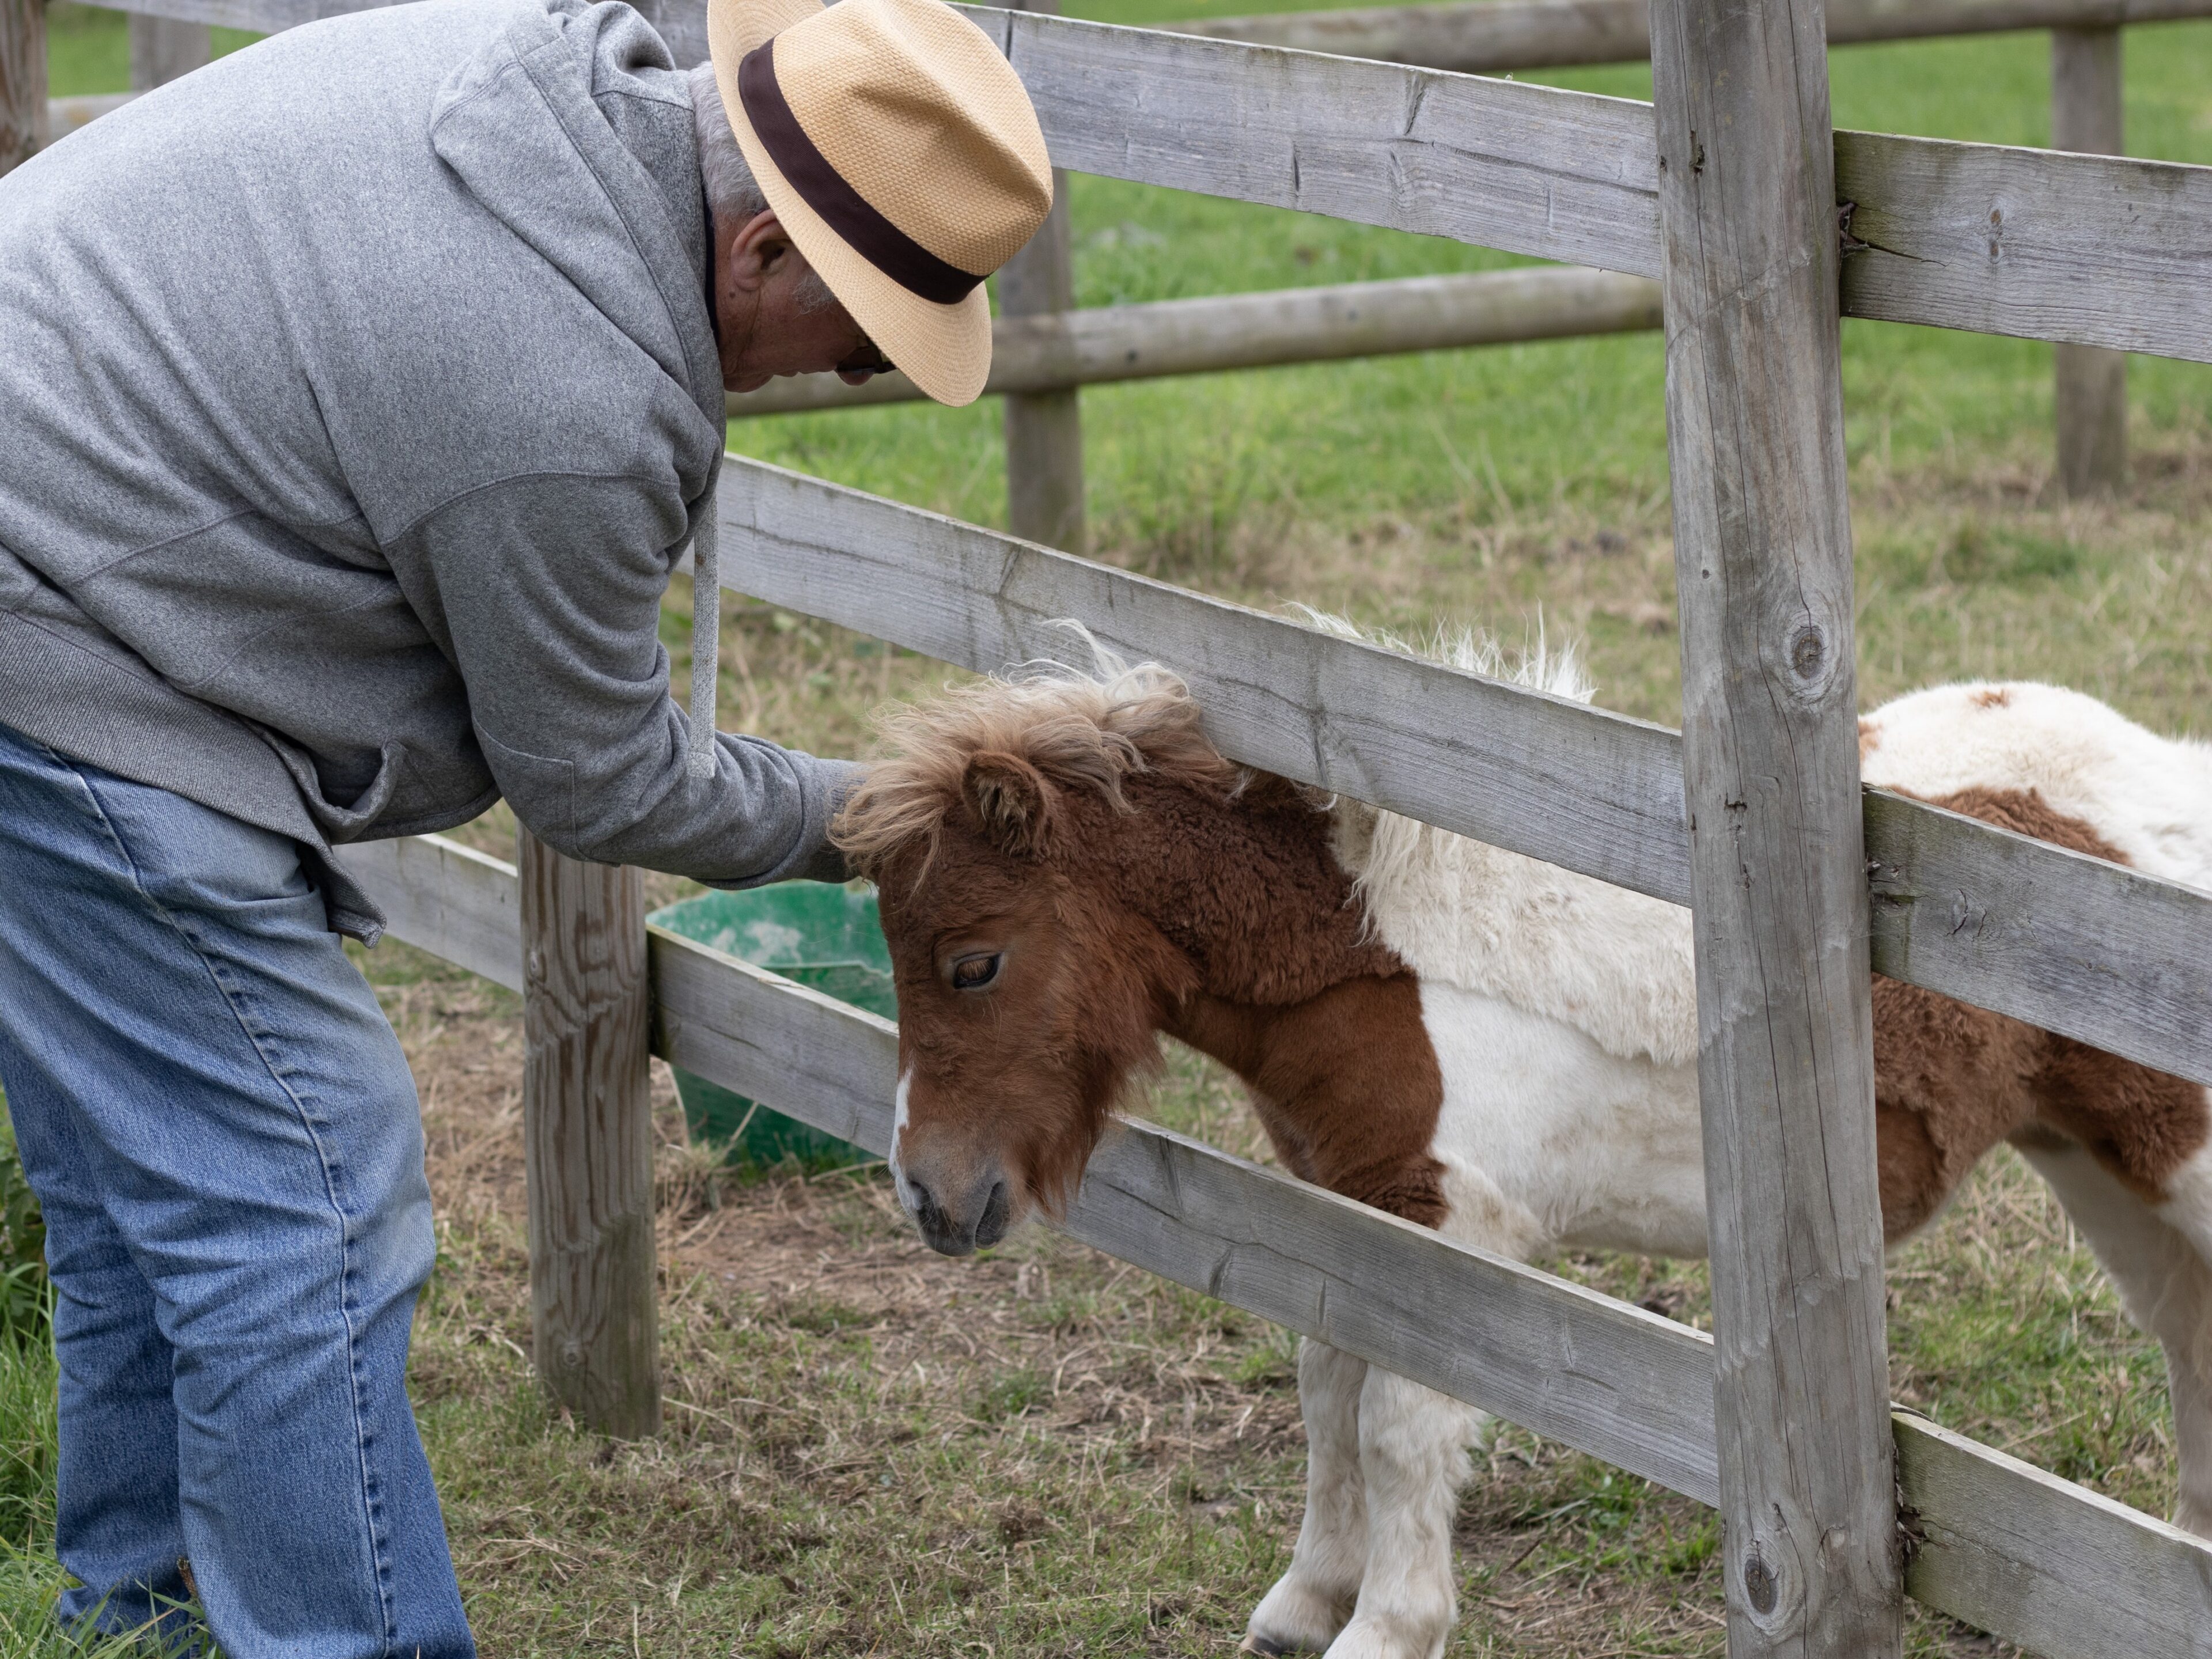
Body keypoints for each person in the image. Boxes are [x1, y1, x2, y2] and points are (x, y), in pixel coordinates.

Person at [0, 0, 1051, 1646]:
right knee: (304, 1185)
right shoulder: (554, 386)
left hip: (58, 518)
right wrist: (886, 817)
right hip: (54, 629)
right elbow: (598, 779)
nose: (835, 381)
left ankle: (135, 1613)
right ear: (767, 245)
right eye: (855, 344)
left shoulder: (553, 86)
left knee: (164, 1167)